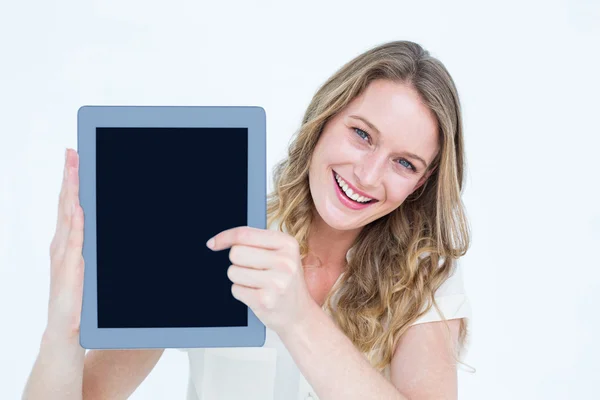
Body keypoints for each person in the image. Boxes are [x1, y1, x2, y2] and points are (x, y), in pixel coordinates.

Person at [22, 40, 472, 400]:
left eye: (404, 163)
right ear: (324, 120)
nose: (368, 176)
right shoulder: (216, 231)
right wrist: (64, 330)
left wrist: (298, 318)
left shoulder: (426, 280)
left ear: (422, 181)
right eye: (361, 135)